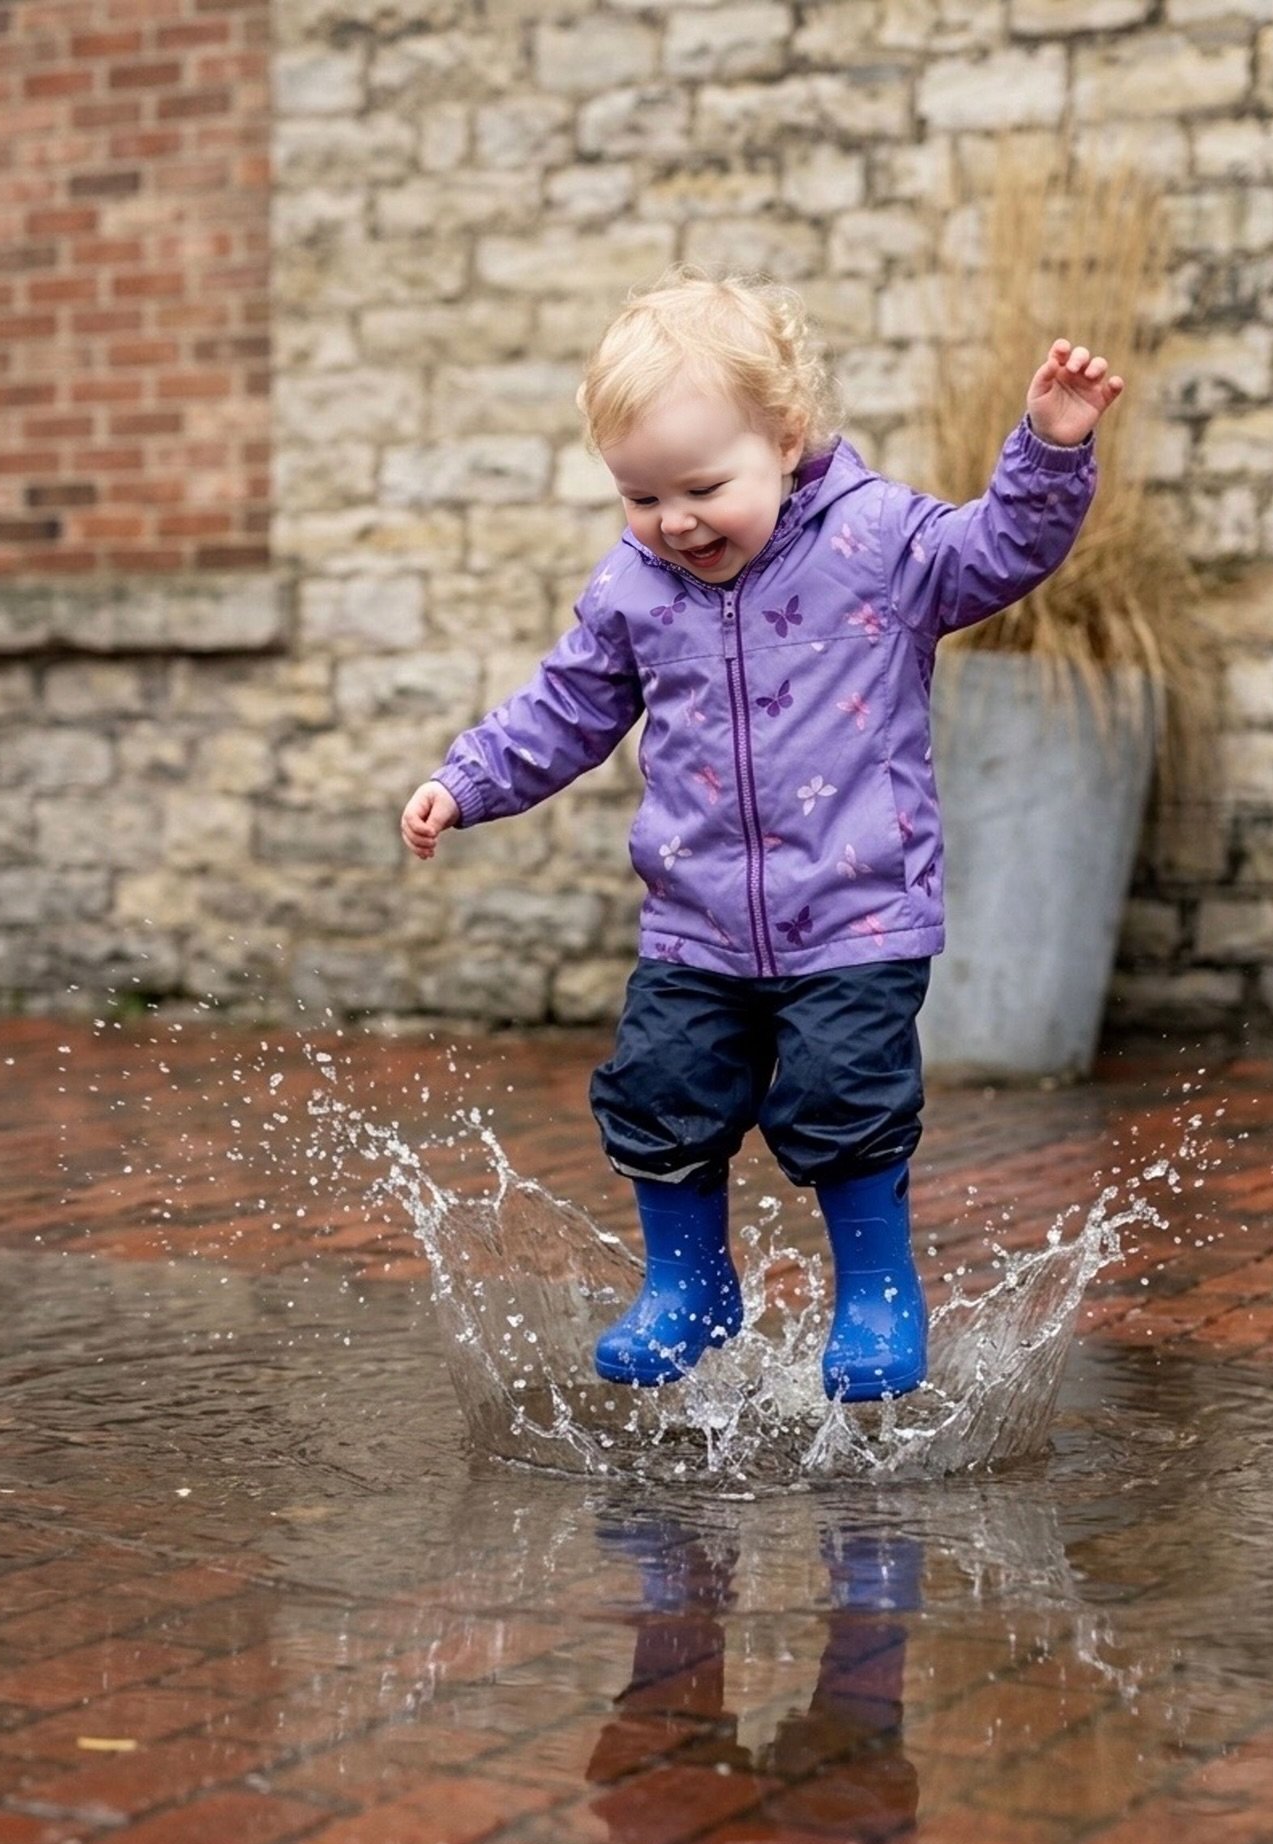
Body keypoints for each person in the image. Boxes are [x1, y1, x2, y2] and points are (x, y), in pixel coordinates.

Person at [401, 266, 1122, 1402]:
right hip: (696, 924)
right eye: (641, 497)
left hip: (858, 910)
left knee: (845, 1099)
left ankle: (878, 1294)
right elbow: (568, 705)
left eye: (701, 486)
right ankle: (690, 1286)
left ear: (786, 439)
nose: (674, 521)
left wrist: (1049, 448)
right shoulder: (637, 586)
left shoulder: (879, 541)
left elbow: (1000, 551)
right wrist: (468, 778)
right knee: (659, 1088)